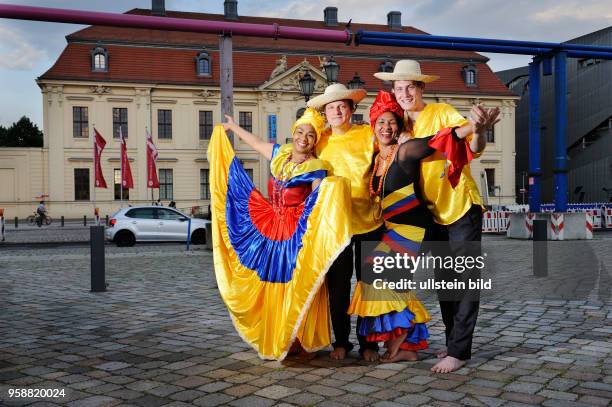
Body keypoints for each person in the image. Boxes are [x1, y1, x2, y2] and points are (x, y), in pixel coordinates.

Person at [348, 90, 496, 363]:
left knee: (383, 278)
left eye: (392, 122)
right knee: (380, 280)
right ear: (372, 126)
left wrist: (473, 127)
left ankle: (413, 343)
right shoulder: (375, 159)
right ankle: (409, 345)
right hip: (402, 227)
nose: (386, 127)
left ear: (399, 127)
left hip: (414, 228)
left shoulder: (405, 150)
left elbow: (440, 141)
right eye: (380, 122)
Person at [207, 108, 352, 361]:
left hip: (295, 233)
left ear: (314, 141)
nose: (303, 138)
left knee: (294, 284)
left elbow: (318, 203)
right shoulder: (280, 155)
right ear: (292, 133)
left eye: (310, 135)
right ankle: (276, 334)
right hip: (271, 226)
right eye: (300, 132)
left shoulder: (316, 166)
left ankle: (296, 337)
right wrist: (233, 128)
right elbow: (256, 144)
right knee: (272, 284)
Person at [307, 83, 383, 361]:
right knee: (338, 287)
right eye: (331, 107)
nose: (337, 110)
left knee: (371, 287)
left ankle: (370, 343)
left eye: (342, 105)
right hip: (335, 225)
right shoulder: (320, 140)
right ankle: (341, 341)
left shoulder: (367, 134)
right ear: (325, 113)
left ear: (351, 109)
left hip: (371, 220)